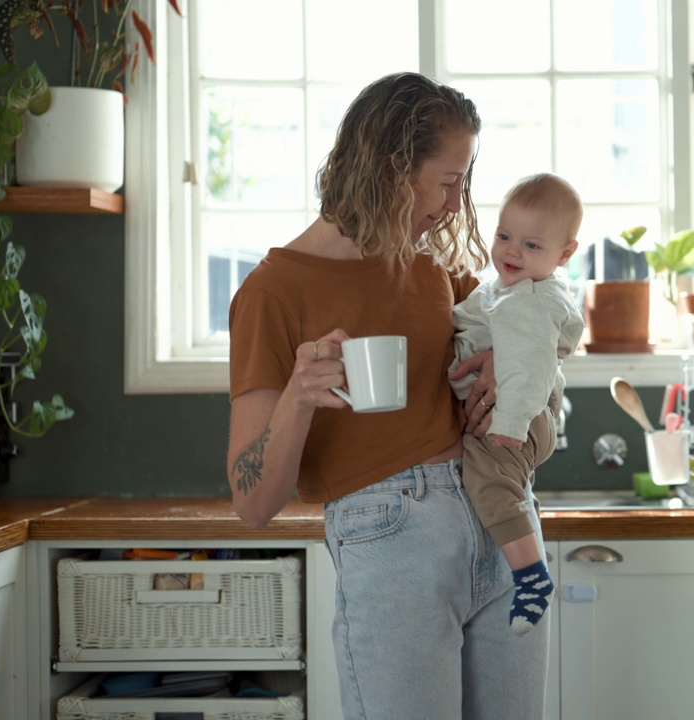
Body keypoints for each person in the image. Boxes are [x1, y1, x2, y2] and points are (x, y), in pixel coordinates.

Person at [225, 72, 549, 719]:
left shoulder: (428, 267)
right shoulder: (272, 292)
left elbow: (533, 318)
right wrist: (298, 396)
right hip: (394, 538)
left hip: (502, 521)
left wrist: (501, 363)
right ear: (395, 168)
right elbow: (252, 501)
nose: (455, 205)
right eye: (449, 182)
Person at [449, 173, 584, 637]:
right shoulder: (510, 289)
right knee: (496, 485)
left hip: (515, 418)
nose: (510, 251)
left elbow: (527, 367)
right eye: (504, 236)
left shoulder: (528, 301)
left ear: (564, 254)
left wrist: (508, 423)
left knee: (489, 483)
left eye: (530, 244)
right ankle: (528, 569)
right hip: (522, 413)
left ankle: (531, 578)